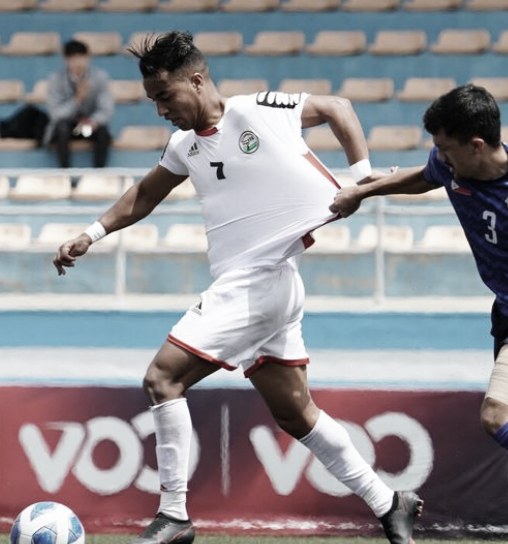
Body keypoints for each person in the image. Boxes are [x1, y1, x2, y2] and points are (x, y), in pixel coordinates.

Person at [52, 31, 423, 544]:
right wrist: (90, 234)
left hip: (261, 280)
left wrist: (362, 179)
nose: (160, 110)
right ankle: (391, 502)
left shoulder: (258, 110)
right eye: (153, 101)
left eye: (165, 97)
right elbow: (143, 195)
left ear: (197, 80)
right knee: (297, 415)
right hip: (269, 286)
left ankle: (175, 514)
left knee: (162, 380)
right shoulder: (184, 144)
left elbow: (338, 106)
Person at [331, 84, 508, 544]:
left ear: (477, 145)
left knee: (497, 414)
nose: (437, 155)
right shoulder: (450, 165)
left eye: (444, 146)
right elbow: (417, 178)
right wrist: (363, 192)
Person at [44, 38, 114, 168]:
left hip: (89, 127)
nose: (78, 63)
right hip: (68, 128)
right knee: (61, 128)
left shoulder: (100, 78)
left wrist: (93, 121)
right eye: (74, 58)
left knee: (103, 132)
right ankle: (65, 174)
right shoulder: (55, 80)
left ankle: (100, 173)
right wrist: (77, 100)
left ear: (88, 58)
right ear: (66, 60)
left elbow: (106, 108)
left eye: (82, 57)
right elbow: (55, 114)